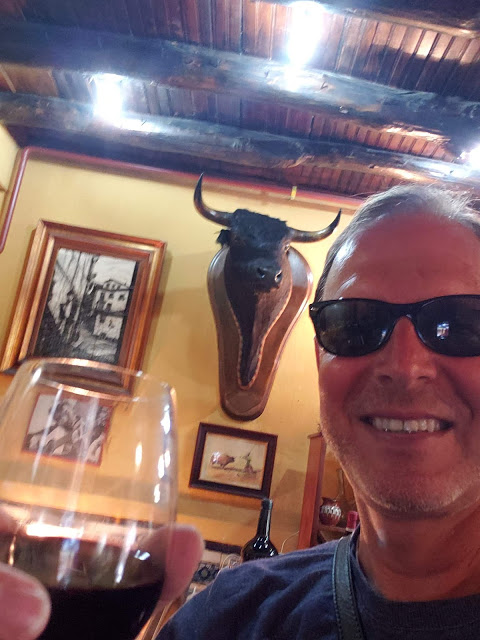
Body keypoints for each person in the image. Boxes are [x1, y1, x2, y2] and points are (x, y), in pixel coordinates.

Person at [4, 182, 480, 639]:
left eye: (460, 323)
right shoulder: (223, 619)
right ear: (320, 356)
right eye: (354, 322)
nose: (405, 367)